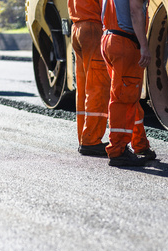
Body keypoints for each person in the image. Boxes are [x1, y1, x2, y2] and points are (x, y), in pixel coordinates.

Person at [101, 0, 156, 166]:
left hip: (109, 39)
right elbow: (135, 11)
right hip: (125, 41)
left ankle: (140, 145)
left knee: (129, 96)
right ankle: (118, 150)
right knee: (123, 100)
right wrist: (144, 47)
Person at [68, 0, 111, 156]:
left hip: (77, 27)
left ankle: (84, 136)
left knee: (84, 86)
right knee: (98, 87)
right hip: (93, 28)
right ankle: (91, 140)